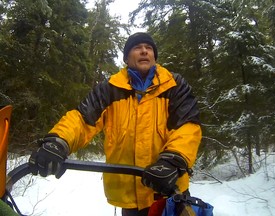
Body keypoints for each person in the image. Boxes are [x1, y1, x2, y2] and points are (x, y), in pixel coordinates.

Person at [29, 32, 202, 216]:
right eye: (137, 48)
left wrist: (172, 161)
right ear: (127, 58)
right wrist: (59, 141)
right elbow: (82, 119)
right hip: (129, 199)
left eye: (149, 48)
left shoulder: (175, 85)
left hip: (168, 191)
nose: (144, 51)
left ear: (154, 56)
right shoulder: (110, 88)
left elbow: (187, 127)